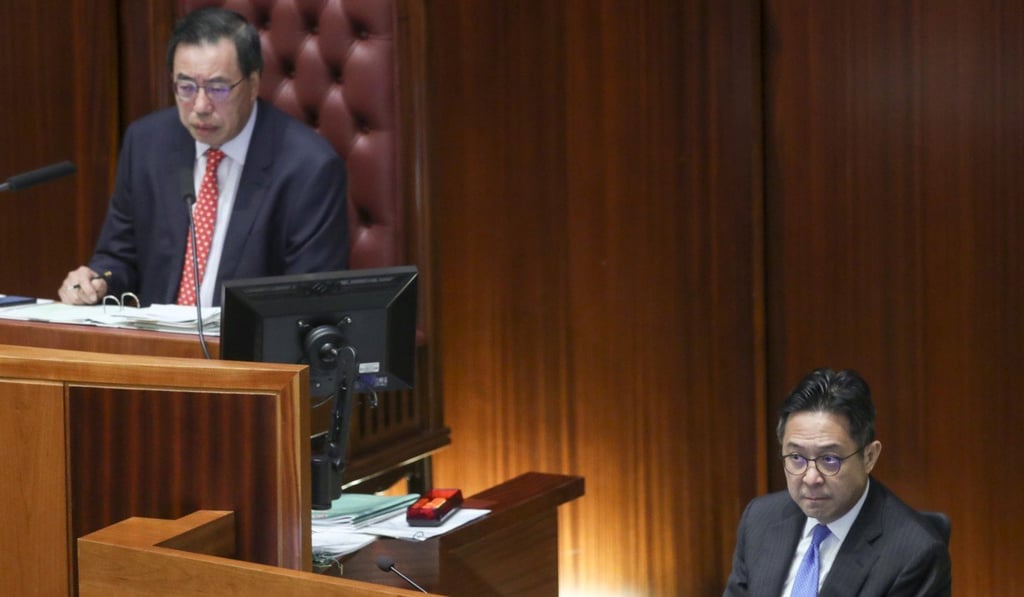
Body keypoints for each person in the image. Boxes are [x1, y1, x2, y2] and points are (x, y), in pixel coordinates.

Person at [58, 7, 348, 307]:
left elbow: (310, 299)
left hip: (244, 350)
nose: (200, 105)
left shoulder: (309, 168)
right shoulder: (147, 143)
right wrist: (97, 281)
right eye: (185, 87)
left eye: (218, 88)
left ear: (253, 84)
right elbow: (118, 258)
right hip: (157, 349)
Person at [724, 368, 951, 596]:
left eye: (829, 459)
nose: (811, 478)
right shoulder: (760, 519)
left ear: (869, 457)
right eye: (796, 458)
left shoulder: (915, 554)